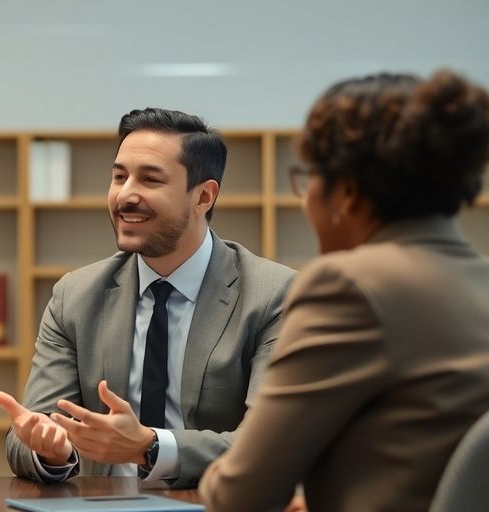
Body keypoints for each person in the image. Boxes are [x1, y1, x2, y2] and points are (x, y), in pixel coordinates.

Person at [199, 70, 489, 512]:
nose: (306, 198)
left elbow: (241, 495)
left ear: (348, 191)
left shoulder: (348, 286)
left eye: (309, 177)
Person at [0, 107, 296, 488]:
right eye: (119, 176)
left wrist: (151, 447)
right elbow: (30, 431)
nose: (126, 195)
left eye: (150, 179)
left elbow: (272, 446)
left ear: (203, 196)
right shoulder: (76, 296)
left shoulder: (273, 295)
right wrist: (52, 451)